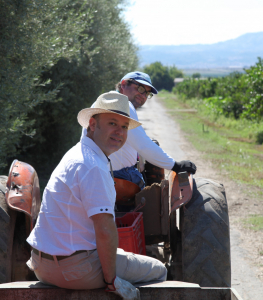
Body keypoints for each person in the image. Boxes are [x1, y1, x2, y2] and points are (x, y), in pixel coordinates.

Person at [26, 92, 167, 300]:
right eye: (112, 123)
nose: (119, 132)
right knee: (159, 270)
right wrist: (112, 282)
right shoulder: (93, 167)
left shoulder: (75, 154)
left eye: (124, 127)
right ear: (92, 124)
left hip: (41, 265)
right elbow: (104, 230)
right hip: (75, 270)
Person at [81, 71, 196, 189]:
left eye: (147, 93)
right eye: (140, 89)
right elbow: (142, 145)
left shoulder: (101, 101)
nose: (143, 96)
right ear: (124, 84)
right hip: (120, 176)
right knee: (152, 192)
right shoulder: (124, 104)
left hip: (91, 170)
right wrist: (175, 166)